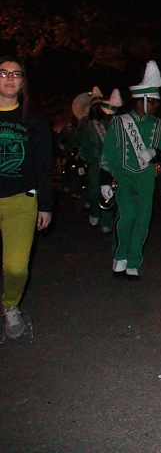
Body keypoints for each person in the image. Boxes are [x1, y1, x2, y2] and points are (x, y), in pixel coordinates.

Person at [100, 61, 161, 281]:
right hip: (124, 177)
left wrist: (154, 152)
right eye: (155, 102)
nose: (158, 106)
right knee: (127, 216)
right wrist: (104, 180)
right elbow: (108, 152)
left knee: (142, 220)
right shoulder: (120, 122)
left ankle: (133, 262)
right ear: (144, 100)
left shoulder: (158, 125)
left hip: (146, 179)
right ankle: (119, 257)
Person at [0, 57, 52, 340]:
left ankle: (11, 306)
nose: (9, 78)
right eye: (3, 73)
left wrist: (46, 205)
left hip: (21, 201)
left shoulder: (34, 122)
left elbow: (44, 165)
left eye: (16, 74)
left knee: (17, 266)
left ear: (22, 83)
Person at [76, 87, 120, 232]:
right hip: (96, 163)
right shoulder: (88, 124)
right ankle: (95, 211)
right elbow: (84, 143)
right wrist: (81, 160)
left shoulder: (114, 123)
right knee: (95, 191)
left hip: (112, 164)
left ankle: (106, 222)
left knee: (110, 193)